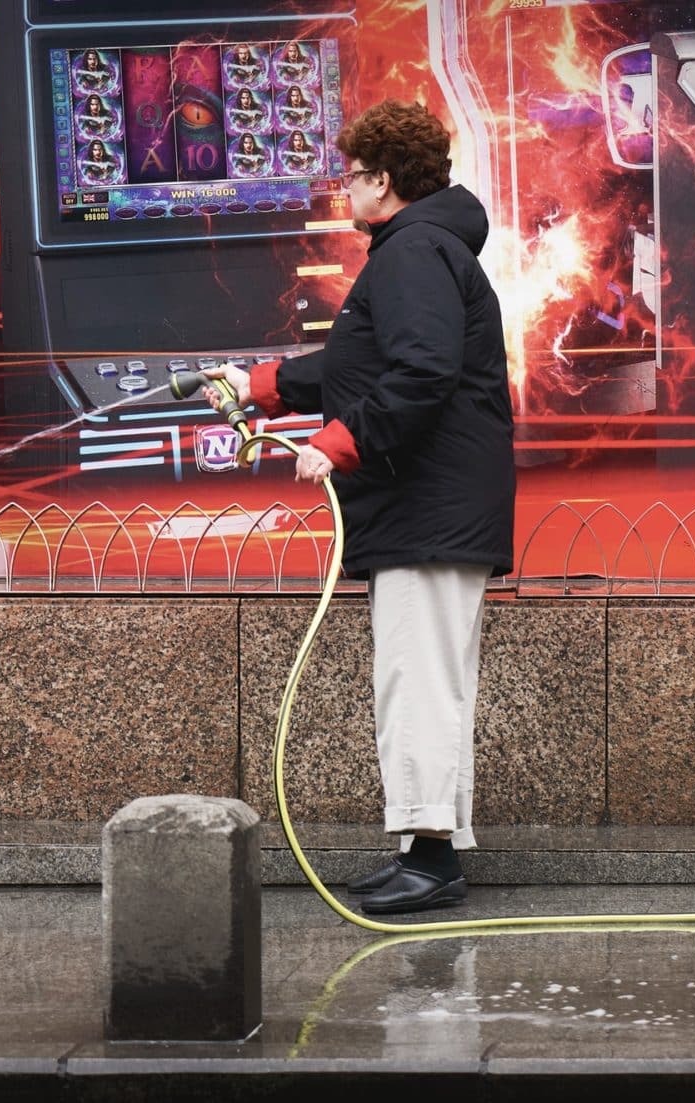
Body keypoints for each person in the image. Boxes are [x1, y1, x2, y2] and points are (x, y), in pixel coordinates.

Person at [203, 100, 514, 915]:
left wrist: (338, 444)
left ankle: (433, 863)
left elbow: (421, 371)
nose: (344, 186)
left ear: (383, 180)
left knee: (417, 681)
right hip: (432, 506)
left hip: (427, 508)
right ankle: (425, 849)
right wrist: (262, 385)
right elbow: (361, 359)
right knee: (424, 679)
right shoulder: (420, 249)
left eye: (351, 173)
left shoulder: (412, 252)